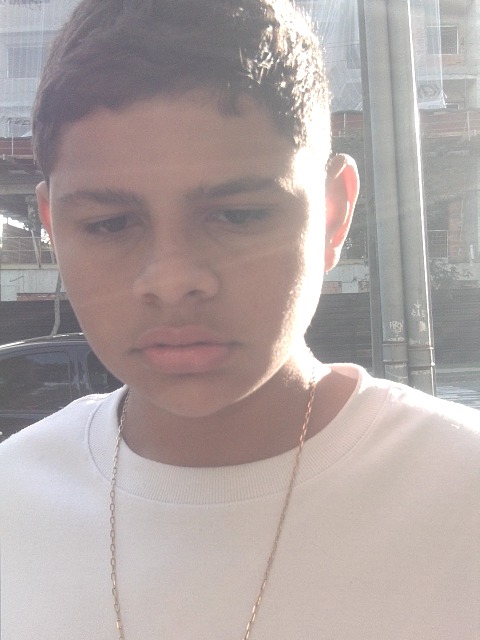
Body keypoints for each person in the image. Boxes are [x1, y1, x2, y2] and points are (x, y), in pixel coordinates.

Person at [0, 1, 478, 638]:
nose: (172, 279)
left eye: (240, 215)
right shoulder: (13, 502)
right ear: (54, 228)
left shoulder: (461, 494)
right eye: (110, 224)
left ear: (333, 214)